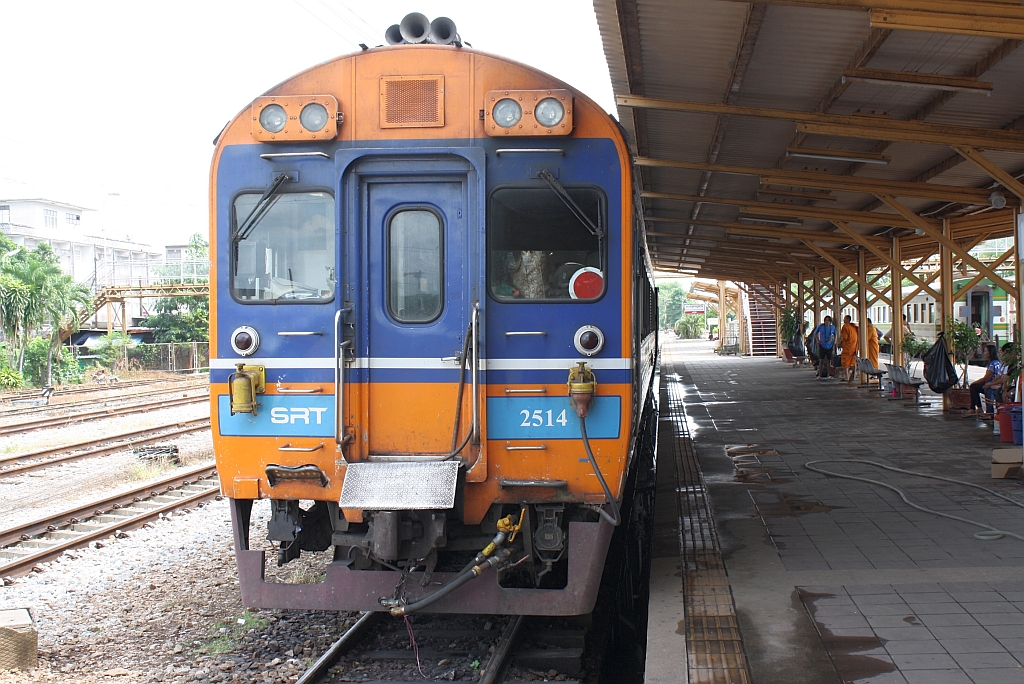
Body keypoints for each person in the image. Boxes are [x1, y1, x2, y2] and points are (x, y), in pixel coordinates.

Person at [968, 344, 1002, 416]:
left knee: (973, 386)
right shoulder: (997, 362)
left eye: (986, 351)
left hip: (991, 385)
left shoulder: (992, 364)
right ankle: (978, 408)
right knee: (975, 387)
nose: (984, 353)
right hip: (993, 384)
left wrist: (974, 382)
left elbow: (986, 378)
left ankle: (975, 408)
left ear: (990, 352)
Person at [813, 316, 837, 380]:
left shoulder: (832, 327)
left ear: (830, 321)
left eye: (828, 320)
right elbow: (815, 333)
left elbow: (835, 335)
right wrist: (818, 340)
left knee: (829, 361)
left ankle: (829, 375)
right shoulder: (821, 326)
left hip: (830, 345)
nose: (827, 322)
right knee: (821, 360)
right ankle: (820, 375)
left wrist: (835, 341)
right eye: (826, 320)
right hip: (822, 345)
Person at [840, 315, 859, 382]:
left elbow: (845, 338)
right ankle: (854, 375)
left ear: (848, 319)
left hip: (848, 347)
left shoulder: (845, 326)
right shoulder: (854, 326)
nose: (843, 320)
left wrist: (841, 341)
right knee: (852, 361)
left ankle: (847, 376)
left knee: (845, 361)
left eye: (844, 319)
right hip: (854, 346)